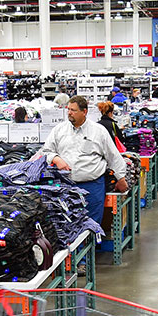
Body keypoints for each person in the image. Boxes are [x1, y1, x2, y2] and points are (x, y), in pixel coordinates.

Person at [38, 95, 128, 225]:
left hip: (92, 186)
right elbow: (46, 151)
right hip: (66, 187)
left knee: (91, 224)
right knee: (68, 225)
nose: (69, 113)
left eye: (73, 110)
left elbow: (113, 156)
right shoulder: (59, 130)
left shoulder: (98, 131)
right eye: (68, 109)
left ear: (84, 111)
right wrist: (56, 158)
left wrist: (121, 178)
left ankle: (94, 245)